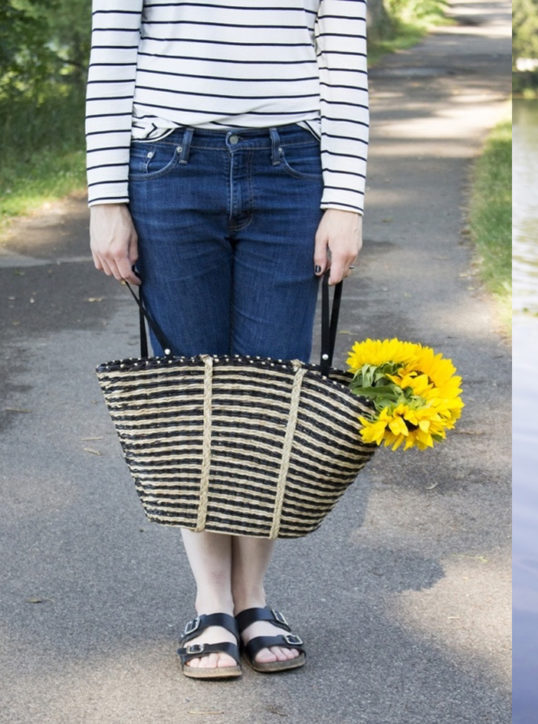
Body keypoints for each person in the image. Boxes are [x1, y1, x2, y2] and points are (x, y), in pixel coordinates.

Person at [85, 0, 369, 679]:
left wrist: (347, 200)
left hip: (295, 168)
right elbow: (112, 53)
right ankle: (210, 600)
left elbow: (346, 60)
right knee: (191, 398)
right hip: (166, 164)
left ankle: (254, 599)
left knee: (273, 400)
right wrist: (105, 199)